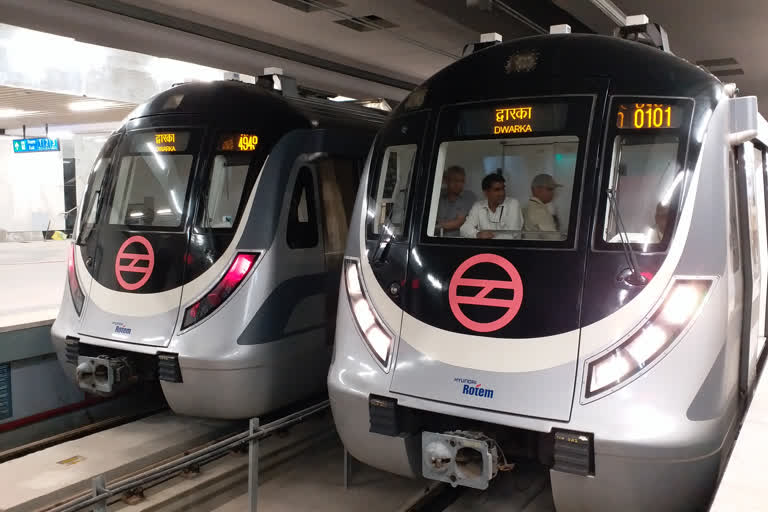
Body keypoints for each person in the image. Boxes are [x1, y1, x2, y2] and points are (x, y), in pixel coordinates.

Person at [460, 173, 523, 239]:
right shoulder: (478, 206)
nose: (502, 193)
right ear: (486, 193)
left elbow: (511, 235)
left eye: (503, 189)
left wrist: (487, 237)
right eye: (497, 190)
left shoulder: (513, 204)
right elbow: (464, 229)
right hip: (485, 248)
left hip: (508, 248)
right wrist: (478, 234)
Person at [435, 166, 477, 237]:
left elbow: (459, 222)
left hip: (458, 242)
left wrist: (435, 227)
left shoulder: (469, 196)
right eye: (455, 180)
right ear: (446, 180)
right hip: (435, 240)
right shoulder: (437, 195)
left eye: (462, 181)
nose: (459, 184)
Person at [523, 173, 563, 240]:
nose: (553, 193)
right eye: (550, 189)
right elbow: (554, 239)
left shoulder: (529, 206)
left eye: (553, 190)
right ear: (537, 189)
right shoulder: (538, 210)